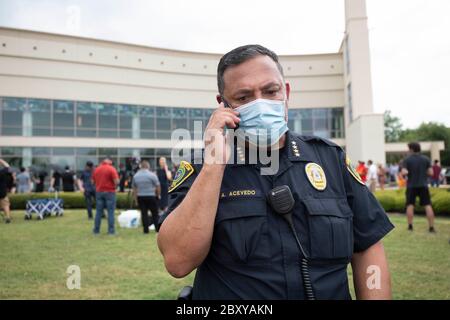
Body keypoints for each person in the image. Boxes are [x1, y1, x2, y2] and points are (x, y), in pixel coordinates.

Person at [157, 45, 394, 300]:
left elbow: (368, 246)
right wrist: (215, 164)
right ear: (223, 105)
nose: (260, 103)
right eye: (244, 97)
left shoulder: (329, 159)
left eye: (271, 91)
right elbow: (178, 261)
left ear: (286, 92)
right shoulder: (202, 168)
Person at [402, 142, 436, 233]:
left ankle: (410, 226)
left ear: (412, 149)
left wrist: (406, 173)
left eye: (409, 148)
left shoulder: (407, 160)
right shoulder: (426, 159)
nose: (408, 150)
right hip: (423, 185)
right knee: (427, 205)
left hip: (411, 186)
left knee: (410, 205)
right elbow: (431, 173)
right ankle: (431, 227)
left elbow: (404, 172)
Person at [92, 157, 119, 235]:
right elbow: (116, 181)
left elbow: (92, 181)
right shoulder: (111, 169)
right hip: (110, 192)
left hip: (99, 192)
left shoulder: (97, 169)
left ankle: (96, 231)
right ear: (109, 161)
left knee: (98, 212)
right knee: (110, 212)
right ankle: (111, 231)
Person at [132, 160, 161, 234]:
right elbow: (157, 186)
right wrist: (158, 195)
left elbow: (134, 189)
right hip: (151, 196)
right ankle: (157, 229)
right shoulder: (152, 175)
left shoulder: (136, 176)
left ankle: (145, 230)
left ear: (141, 166)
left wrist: (135, 200)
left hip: (141, 197)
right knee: (155, 213)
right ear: (148, 166)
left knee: (144, 214)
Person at [0, 159, 12, 223]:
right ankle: (7, 217)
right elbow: (7, 166)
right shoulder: (2, 172)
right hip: (2, 191)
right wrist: (0, 160)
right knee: (6, 205)